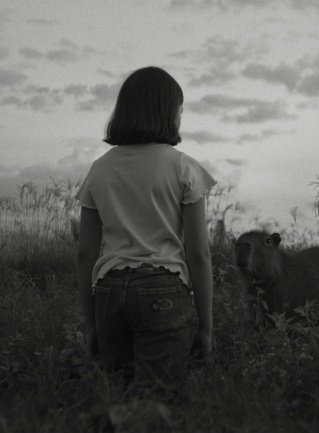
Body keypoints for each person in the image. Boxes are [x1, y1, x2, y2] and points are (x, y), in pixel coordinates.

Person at [75, 66, 215, 389]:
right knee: (158, 397)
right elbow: (198, 254)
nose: (180, 117)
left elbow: (85, 254)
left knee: (118, 392)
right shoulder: (182, 167)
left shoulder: (100, 169)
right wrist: (206, 329)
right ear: (166, 112)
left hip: (109, 290)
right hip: (162, 287)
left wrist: (91, 325)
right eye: (180, 109)